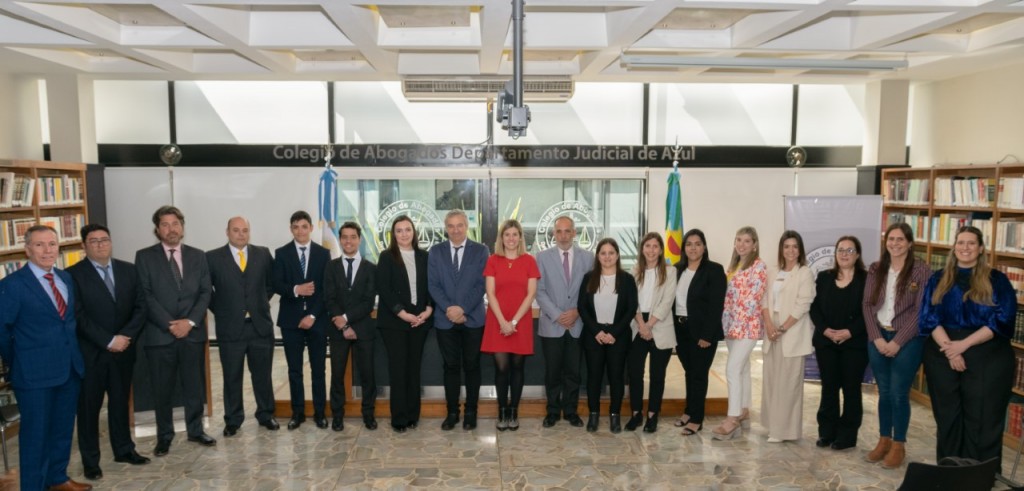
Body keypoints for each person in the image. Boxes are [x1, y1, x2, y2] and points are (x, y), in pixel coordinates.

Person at [0, 225, 91, 491]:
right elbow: (2, 331)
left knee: (62, 430)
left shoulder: (65, 278)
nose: (47, 250)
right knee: (35, 437)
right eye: (39, 244)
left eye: (52, 244)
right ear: (27, 249)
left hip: (69, 369)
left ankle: (58, 478)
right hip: (33, 374)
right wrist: (19, 362)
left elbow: (67, 323)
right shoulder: (12, 285)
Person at [920, 225, 1016, 469]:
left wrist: (963, 345)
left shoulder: (998, 280)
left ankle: (980, 473)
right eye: (961, 242)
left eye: (971, 243)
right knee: (948, 415)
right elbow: (929, 318)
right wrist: (951, 350)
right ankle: (950, 468)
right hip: (943, 351)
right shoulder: (937, 278)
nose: (965, 247)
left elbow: (1003, 320)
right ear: (954, 247)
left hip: (987, 354)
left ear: (981, 248)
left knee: (982, 416)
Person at [68, 224, 149, 481]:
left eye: (104, 240)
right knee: (89, 409)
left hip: (123, 351)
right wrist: (108, 340)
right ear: (84, 246)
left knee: (120, 403)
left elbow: (141, 308)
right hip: (91, 353)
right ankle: (91, 461)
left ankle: (124, 450)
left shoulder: (129, 270)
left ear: (111, 242)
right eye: (94, 241)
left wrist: (124, 337)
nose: (100, 245)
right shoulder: (72, 275)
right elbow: (78, 315)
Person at [135, 205, 214, 456]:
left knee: (194, 386)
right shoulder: (144, 257)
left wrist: (189, 323)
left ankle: (196, 430)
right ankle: (164, 436)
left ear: (182, 227)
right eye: (165, 224)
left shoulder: (198, 256)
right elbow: (145, 295)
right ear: (157, 229)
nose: (171, 229)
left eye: (175, 224)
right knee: (162, 389)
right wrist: (170, 324)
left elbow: (205, 292)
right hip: (160, 335)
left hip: (192, 333)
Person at [862, 222, 930, 468]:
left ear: (910, 243)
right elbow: (867, 305)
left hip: (908, 339)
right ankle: (884, 440)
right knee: (884, 392)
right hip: (878, 336)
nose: (895, 243)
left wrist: (898, 341)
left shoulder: (921, 270)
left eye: (901, 239)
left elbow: (920, 311)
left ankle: (898, 444)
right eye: (891, 239)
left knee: (899, 393)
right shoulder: (876, 268)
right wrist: (877, 337)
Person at [206, 216, 279, 437]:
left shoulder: (263, 254)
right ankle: (233, 419)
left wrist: (258, 303)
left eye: (245, 230)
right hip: (230, 329)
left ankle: (266, 414)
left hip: (259, 327)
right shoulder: (212, 257)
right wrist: (223, 310)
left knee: (262, 375)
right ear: (227, 232)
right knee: (232, 376)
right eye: (236, 230)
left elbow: (272, 283)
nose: (241, 234)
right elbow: (206, 291)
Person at [427, 209, 488, 431]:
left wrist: (463, 309)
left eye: (460, 225)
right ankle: (452, 412)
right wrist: (450, 310)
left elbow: (481, 284)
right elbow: (433, 285)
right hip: (445, 320)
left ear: (466, 226)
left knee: (472, 366)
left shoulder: (481, 251)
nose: (455, 230)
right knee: (450, 367)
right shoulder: (436, 252)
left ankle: (471, 412)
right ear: (446, 228)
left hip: (473, 319)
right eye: (451, 226)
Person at [272, 210, 331, 430]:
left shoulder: (323, 254)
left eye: (304, 226)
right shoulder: (281, 253)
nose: (300, 231)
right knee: (294, 370)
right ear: (291, 229)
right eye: (296, 227)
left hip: (317, 320)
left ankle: (319, 413)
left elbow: (326, 289)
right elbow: (276, 284)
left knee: (318, 370)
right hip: (291, 321)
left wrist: (312, 315)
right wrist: (297, 289)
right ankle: (297, 413)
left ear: (311, 228)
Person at [809, 236, 868, 451]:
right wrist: (825, 330)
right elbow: (814, 307)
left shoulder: (867, 279)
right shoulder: (824, 277)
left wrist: (849, 332)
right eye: (840, 250)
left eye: (849, 250)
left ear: (857, 254)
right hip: (826, 342)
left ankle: (847, 435)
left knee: (851, 389)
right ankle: (827, 432)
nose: (844, 254)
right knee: (829, 388)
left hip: (854, 344)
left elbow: (869, 311)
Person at [481, 219, 540, 431]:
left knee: (517, 366)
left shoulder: (529, 261)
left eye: (515, 234)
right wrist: (503, 322)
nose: (511, 238)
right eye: (507, 235)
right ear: (501, 238)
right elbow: (490, 293)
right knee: (501, 368)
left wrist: (513, 322)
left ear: (520, 237)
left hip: (520, 321)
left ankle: (514, 410)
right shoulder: (493, 261)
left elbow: (531, 294)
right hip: (497, 320)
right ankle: (502, 410)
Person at [376, 215, 433, 433]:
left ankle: (412, 415)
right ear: (393, 234)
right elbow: (384, 288)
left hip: (420, 321)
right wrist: (402, 314)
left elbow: (432, 285)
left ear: (414, 232)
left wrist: (429, 309)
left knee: (413, 369)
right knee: (398, 370)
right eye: (399, 230)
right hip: (395, 323)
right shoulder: (386, 257)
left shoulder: (425, 256)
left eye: (407, 229)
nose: (404, 234)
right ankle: (399, 418)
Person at [535, 215, 593, 428]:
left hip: (577, 324)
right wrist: (558, 315)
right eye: (559, 231)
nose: (563, 235)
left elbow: (591, 290)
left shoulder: (588, 258)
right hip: (552, 324)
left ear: (574, 233)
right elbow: (539, 291)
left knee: (573, 372)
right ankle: (552, 411)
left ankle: (570, 411)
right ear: (554, 234)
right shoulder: (542, 257)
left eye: (567, 231)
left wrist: (577, 311)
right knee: (552, 372)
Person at [577, 238, 639, 433]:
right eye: (603, 253)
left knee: (616, 377)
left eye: (611, 253)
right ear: (598, 256)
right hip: (593, 335)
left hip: (618, 337)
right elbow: (582, 307)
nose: (607, 257)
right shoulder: (589, 278)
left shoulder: (627, 279)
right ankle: (593, 415)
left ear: (617, 255)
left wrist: (613, 333)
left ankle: (615, 415)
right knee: (594, 377)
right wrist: (597, 331)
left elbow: (631, 309)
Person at [760, 230, 816, 443]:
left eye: (794, 246)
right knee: (772, 381)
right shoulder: (772, 271)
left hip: (791, 330)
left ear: (800, 250)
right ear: (781, 249)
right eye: (786, 246)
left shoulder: (804, 273)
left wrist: (782, 328)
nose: (790, 250)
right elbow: (764, 299)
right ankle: (772, 425)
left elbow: (803, 304)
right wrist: (768, 325)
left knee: (788, 384)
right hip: (771, 330)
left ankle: (784, 431)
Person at [713, 226, 767, 440]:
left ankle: (732, 418)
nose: (742, 244)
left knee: (732, 369)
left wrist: (737, 325)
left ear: (754, 245)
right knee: (742, 369)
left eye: (747, 241)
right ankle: (744, 409)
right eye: (738, 240)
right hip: (731, 326)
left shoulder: (758, 266)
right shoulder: (733, 266)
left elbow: (753, 299)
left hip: (747, 326)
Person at [324, 221, 378, 431]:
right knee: (337, 375)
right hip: (338, 330)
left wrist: (345, 318)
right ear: (340, 240)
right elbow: (329, 298)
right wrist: (343, 325)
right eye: (345, 237)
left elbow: (368, 301)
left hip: (363, 329)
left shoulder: (371, 268)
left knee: (368, 375)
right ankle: (337, 416)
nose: (349, 241)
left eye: (353, 237)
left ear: (359, 239)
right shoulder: (331, 267)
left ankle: (368, 414)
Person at [673, 229, 727, 436]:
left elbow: (716, 305)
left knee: (699, 374)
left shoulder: (714, 270)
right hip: (680, 330)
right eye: (689, 244)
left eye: (697, 244)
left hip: (702, 332)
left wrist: (707, 335)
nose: (693, 248)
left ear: (704, 247)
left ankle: (696, 419)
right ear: (684, 248)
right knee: (689, 372)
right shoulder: (677, 269)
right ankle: (689, 411)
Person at [626, 232, 678, 433]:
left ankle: (652, 415)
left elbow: (667, 302)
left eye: (655, 246)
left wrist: (649, 325)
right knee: (635, 373)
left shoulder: (670, 272)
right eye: (647, 246)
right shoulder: (634, 271)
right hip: (638, 325)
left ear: (661, 250)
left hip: (660, 325)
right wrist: (642, 324)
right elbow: (631, 301)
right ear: (642, 249)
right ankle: (636, 414)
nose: (651, 250)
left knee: (657, 375)